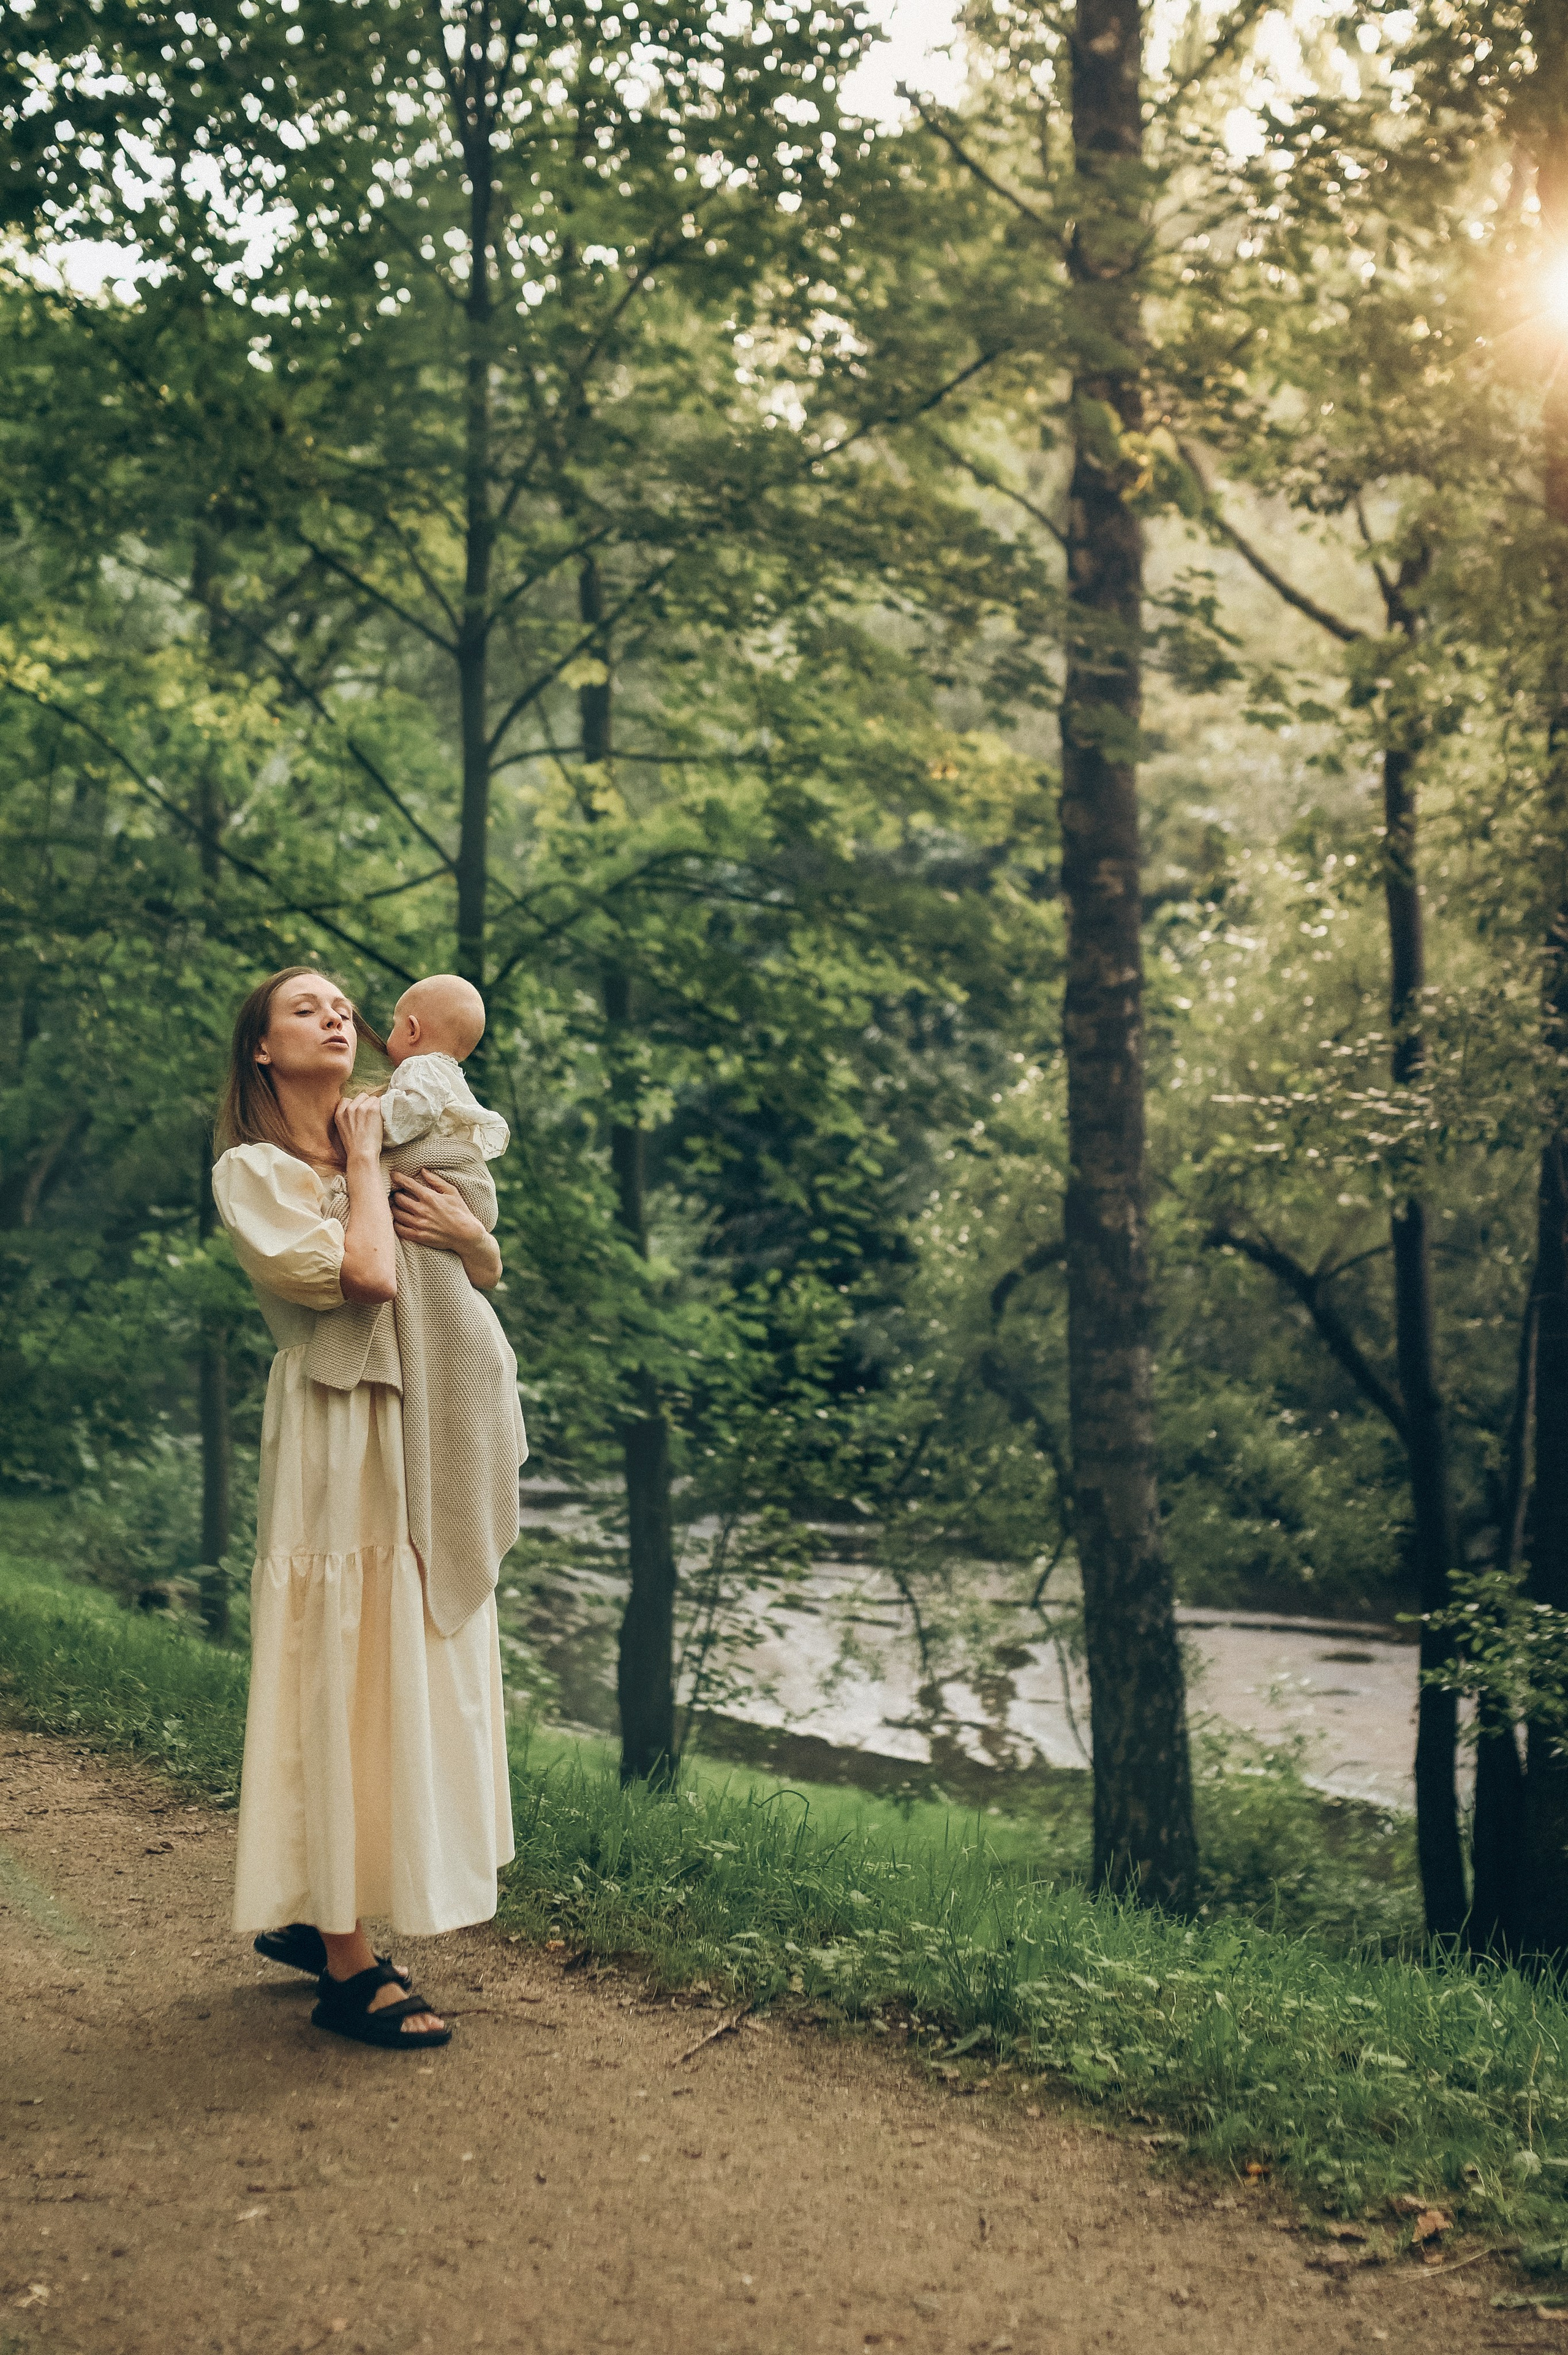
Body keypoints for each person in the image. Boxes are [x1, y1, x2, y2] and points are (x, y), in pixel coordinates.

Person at [211, 966, 516, 2049]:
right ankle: (347, 1966)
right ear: (262, 1048)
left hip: (422, 1421)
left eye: (345, 1005)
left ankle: (320, 1905)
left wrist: (475, 1241)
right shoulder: (256, 1172)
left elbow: (476, 1265)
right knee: (339, 1665)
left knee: (402, 1666)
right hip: (339, 1436)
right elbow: (370, 1278)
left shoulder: (399, 1130)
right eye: (306, 1007)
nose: (337, 1014)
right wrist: (369, 1162)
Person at [375, 972, 511, 1162]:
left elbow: (411, 1115)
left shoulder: (420, 1066)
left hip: (425, 1162)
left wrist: (372, 1113)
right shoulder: (451, 1079)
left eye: (394, 1026)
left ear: (413, 1031)